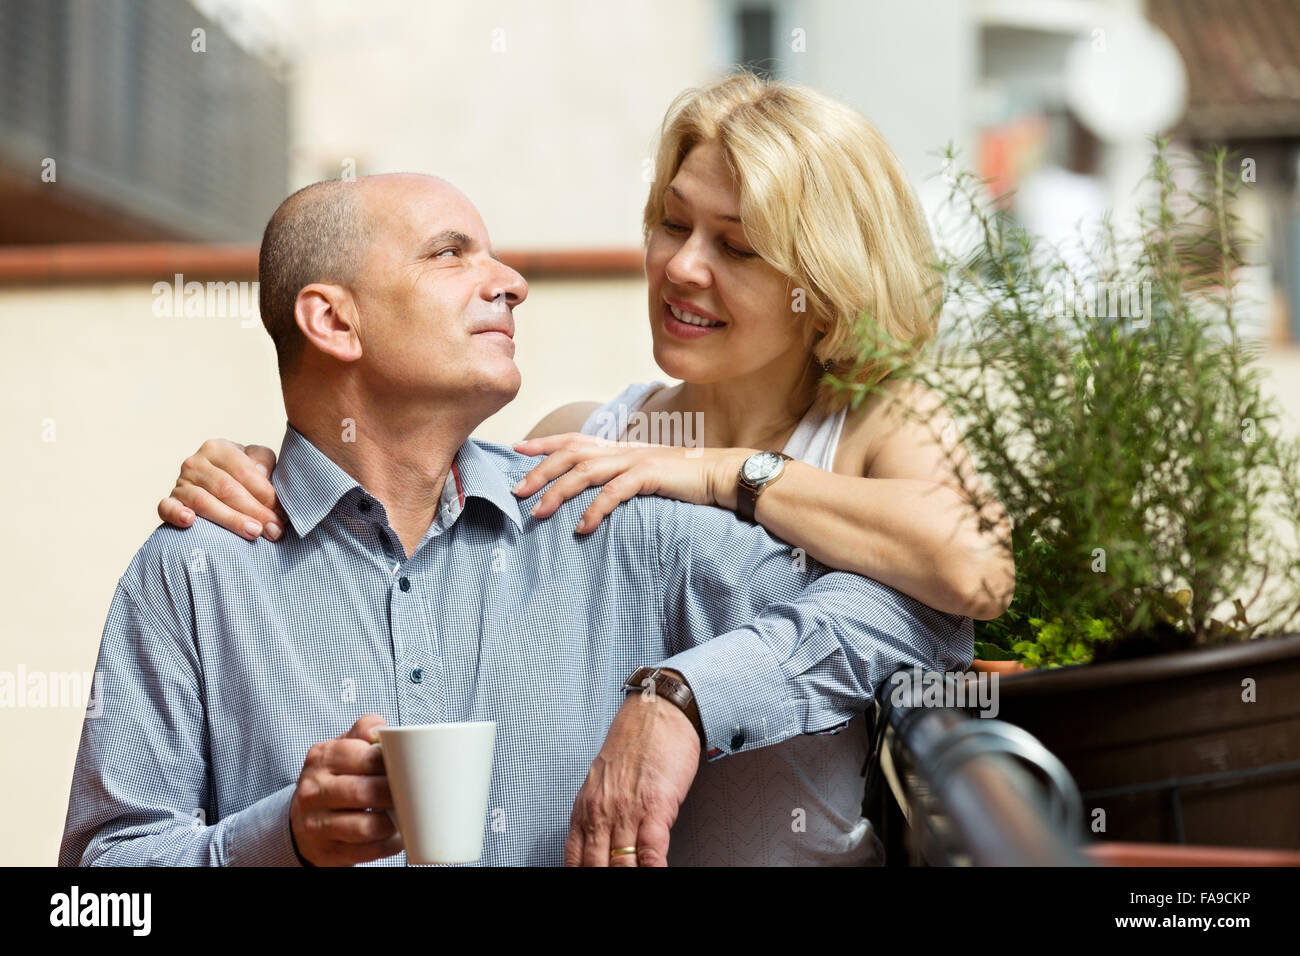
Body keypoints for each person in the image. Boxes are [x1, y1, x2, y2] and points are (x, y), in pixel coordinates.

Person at [155, 74, 1012, 865]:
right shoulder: (584, 444)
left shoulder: (878, 419)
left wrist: (717, 483)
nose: (682, 266)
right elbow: (417, 492)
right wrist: (282, 463)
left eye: (738, 247)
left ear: (824, 282)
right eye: (674, 223)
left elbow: (971, 574)